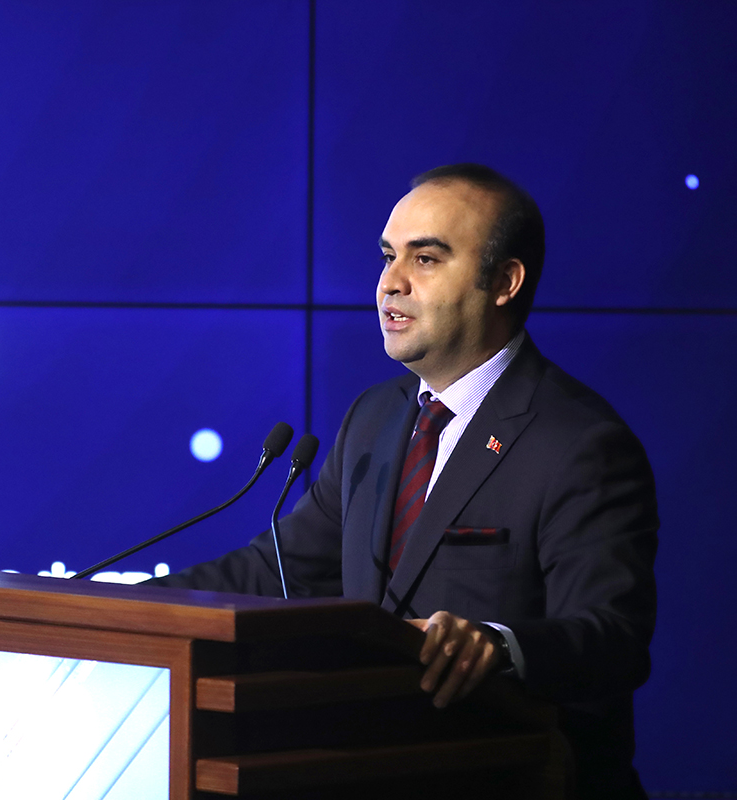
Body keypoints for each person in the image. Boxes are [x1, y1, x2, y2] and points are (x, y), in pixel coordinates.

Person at [149, 163, 659, 798]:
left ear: (504, 282)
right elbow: (277, 570)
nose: (391, 283)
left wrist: (496, 646)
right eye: (389, 256)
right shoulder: (375, 417)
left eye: (425, 259)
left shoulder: (580, 442)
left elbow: (612, 638)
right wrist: (117, 609)